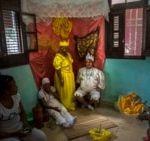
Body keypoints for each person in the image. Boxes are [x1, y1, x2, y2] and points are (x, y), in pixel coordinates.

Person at [0, 74, 47, 141]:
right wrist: (16, 134)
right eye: (14, 85)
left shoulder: (16, 96)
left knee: (41, 136)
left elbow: (22, 112)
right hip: (7, 135)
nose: (16, 86)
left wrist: (25, 124)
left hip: (21, 128)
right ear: (6, 91)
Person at [53, 40, 76, 111]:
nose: (64, 49)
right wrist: (61, 79)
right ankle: (65, 106)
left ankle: (70, 105)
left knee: (70, 91)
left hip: (70, 76)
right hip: (62, 76)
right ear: (60, 48)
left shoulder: (68, 54)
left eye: (66, 47)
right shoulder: (58, 57)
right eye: (63, 47)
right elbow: (57, 69)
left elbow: (70, 62)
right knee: (64, 92)